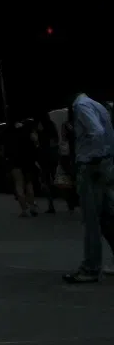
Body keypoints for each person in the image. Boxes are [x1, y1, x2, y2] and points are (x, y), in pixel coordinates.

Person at [63, 91, 114, 284]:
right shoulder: (97, 104)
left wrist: (94, 158)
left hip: (92, 166)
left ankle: (91, 268)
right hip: (105, 164)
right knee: (108, 216)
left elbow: (97, 132)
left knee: (92, 219)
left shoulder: (81, 106)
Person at [10, 120, 38, 217]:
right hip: (28, 162)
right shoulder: (30, 135)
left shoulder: (13, 135)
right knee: (29, 184)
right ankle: (32, 207)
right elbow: (36, 147)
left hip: (15, 162)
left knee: (19, 186)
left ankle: (24, 209)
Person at [36, 116, 59, 215]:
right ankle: (69, 201)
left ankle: (51, 205)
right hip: (53, 156)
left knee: (46, 180)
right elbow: (55, 141)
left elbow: (37, 143)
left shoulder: (40, 133)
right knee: (57, 177)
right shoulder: (52, 127)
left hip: (44, 157)